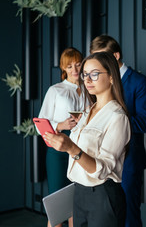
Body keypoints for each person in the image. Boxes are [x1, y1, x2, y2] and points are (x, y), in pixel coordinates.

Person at [44, 51, 131, 227]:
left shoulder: (117, 117)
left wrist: (71, 148)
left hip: (103, 196)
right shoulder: (86, 112)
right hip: (78, 193)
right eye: (85, 75)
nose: (88, 80)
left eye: (95, 74)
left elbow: (102, 169)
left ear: (112, 77)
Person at [90, 35, 146, 227]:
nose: (97, 64)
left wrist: (113, 121)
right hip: (98, 160)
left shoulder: (139, 82)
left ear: (116, 55)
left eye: (102, 57)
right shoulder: (98, 82)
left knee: (128, 216)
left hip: (128, 161)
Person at [38, 47, 84, 227]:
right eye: (70, 66)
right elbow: (40, 123)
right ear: (63, 68)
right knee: (57, 208)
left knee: (76, 206)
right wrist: (60, 125)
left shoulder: (90, 90)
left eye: (78, 65)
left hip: (81, 149)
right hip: (58, 150)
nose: (75, 70)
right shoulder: (55, 90)